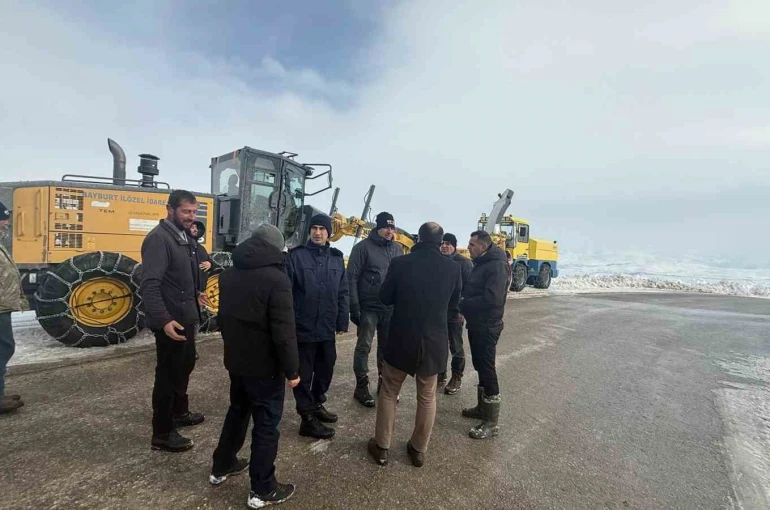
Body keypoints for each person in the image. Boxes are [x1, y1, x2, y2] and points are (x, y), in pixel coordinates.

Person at [210, 224, 299, 509]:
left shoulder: (228, 274)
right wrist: (293, 371)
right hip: (266, 368)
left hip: (236, 362)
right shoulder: (277, 279)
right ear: (275, 248)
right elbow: (284, 332)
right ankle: (262, 488)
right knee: (266, 425)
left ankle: (222, 465)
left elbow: (224, 319)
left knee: (237, 412)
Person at [368, 222, 461, 468]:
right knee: (428, 397)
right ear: (440, 242)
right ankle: (418, 450)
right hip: (434, 342)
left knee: (389, 392)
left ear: (418, 238)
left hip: (401, 338)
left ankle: (382, 447)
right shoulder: (452, 268)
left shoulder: (401, 263)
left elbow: (385, 297)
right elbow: (453, 305)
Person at [140, 190, 210, 452]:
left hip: (186, 314)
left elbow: (180, 278)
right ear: (170, 210)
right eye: (186, 212)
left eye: (194, 212)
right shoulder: (159, 240)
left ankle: (180, 412)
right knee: (168, 375)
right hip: (171, 321)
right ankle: (162, 432)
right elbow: (150, 284)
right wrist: (163, 319)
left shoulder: (183, 238)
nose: (191, 217)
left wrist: (195, 296)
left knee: (186, 365)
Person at [285, 214, 349, 440]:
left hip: (326, 326)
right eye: (314, 228)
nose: (318, 232)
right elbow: (288, 293)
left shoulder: (336, 258)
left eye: (322, 228)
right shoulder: (296, 257)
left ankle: (316, 403)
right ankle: (307, 419)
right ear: (309, 231)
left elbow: (342, 291)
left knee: (326, 369)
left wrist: (342, 320)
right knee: (304, 374)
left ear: (329, 232)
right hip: (303, 327)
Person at [347, 211, 404, 407]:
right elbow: (351, 277)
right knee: (364, 347)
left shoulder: (397, 249)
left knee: (387, 349)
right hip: (368, 307)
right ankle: (361, 387)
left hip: (389, 308)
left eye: (392, 227)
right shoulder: (362, 248)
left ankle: (384, 384)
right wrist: (353, 306)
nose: (390, 231)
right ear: (377, 228)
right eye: (386, 227)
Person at [460, 230, 508, 440]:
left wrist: (464, 304)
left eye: (472, 244)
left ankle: (491, 422)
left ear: (484, 246)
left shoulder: (496, 266)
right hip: (477, 323)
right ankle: (482, 407)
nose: (469, 247)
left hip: (487, 325)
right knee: (480, 364)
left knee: (487, 368)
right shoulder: (481, 263)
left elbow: (492, 299)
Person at [0, 202, 27, 415]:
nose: (6, 224)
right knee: (2, 349)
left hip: (3, 306)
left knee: (4, 348)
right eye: (3, 219)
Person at [438, 233, 473, 394]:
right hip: (437, 312)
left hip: (455, 313)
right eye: (442, 243)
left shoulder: (464, 263)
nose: (444, 246)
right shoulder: (437, 261)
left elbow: (468, 289)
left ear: (454, 245)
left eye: (448, 243)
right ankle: (440, 373)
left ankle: (457, 377)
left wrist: (462, 310)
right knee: (438, 345)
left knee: (456, 346)